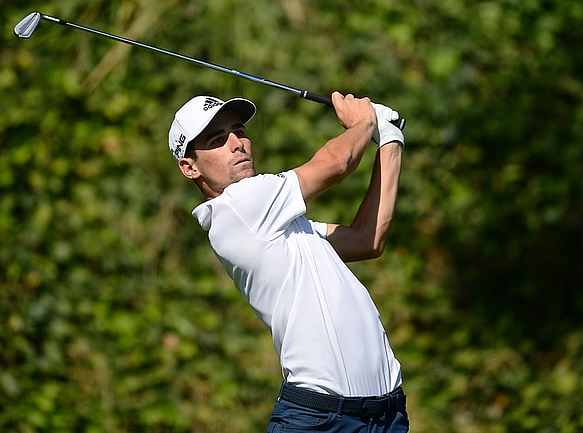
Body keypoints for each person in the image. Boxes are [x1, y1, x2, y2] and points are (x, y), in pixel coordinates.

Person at [168, 92, 408, 432]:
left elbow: (367, 240)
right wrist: (364, 121)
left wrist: (390, 139)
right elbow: (336, 163)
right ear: (189, 167)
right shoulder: (238, 206)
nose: (238, 143)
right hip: (320, 421)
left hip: (386, 415)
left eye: (239, 131)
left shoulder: (279, 223)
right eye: (217, 140)